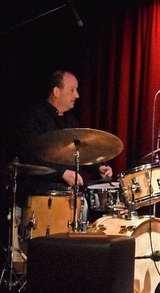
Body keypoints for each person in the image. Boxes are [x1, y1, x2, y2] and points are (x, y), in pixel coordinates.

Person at [15, 70, 114, 221]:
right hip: (40, 185)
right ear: (56, 91)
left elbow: (80, 152)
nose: (77, 95)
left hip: (66, 185)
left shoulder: (70, 120)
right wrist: (61, 173)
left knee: (107, 190)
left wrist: (97, 167)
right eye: (72, 90)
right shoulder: (34, 117)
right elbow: (31, 156)